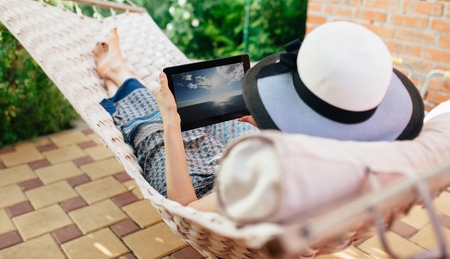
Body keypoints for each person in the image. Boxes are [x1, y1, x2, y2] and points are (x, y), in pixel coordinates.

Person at [93, 22, 424, 213]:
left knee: (155, 122)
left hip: (205, 183)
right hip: (247, 156)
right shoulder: (373, 161)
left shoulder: (273, 187)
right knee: (218, 119)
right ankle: (117, 76)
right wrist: (273, 124)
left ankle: (118, 72)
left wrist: (170, 123)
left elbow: (186, 208)